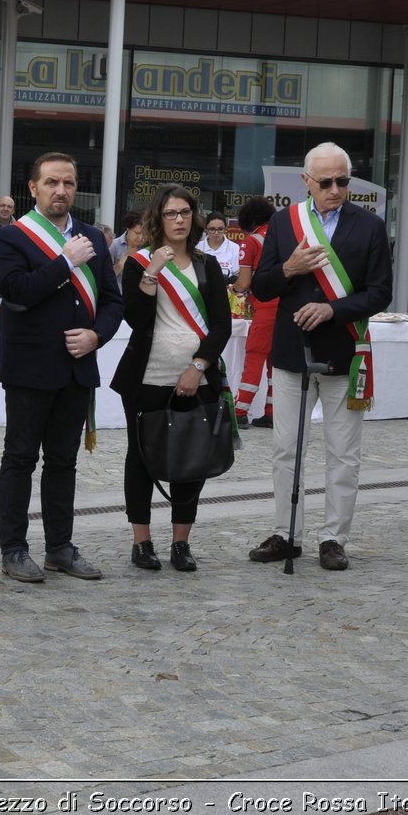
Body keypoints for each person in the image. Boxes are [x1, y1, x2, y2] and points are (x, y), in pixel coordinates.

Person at [249, 143, 391, 573]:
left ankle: (333, 537)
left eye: (342, 181)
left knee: (343, 453)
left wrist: (334, 309)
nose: (334, 189)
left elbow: (380, 292)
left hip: (343, 351)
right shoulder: (283, 222)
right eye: (325, 182)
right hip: (292, 353)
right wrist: (289, 268)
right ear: (306, 182)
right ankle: (286, 532)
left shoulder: (369, 226)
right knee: (285, 450)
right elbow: (261, 288)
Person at [0, 152, 123, 583]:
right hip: (31, 368)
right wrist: (65, 261)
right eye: (51, 182)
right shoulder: (14, 237)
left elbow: (112, 300)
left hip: (77, 367)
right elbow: (16, 292)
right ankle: (14, 549)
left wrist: (97, 336)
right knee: (20, 458)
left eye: (67, 183)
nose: (61, 191)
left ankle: (60, 548)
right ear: (33, 188)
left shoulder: (93, 237)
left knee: (64, 461)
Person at [111, 185, 232, 574]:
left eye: (184, 213)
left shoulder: (206, 264)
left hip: (196, 377)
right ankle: (141, 542)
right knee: (142, 458)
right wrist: (151, 273)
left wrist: (198, 367)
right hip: (146, 378)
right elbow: (136, 319)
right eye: (170, 214)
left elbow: (221, 325)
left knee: (191, 458)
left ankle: (181, 544)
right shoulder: (138, 263)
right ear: (157, 219)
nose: (179, 220)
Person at [233, 196, 279, 428]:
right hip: (287, 306)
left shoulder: (251, 241)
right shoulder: (283, 235)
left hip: (265, 306)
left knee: (254, 356)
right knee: (274, 361)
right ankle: (271, 411)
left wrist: (233, 288)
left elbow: (243, 281)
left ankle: (240, 411)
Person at [196, 211, 242, 279]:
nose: (216, 233)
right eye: (212, 229)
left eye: (220, 229)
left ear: (226, 229)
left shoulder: (234, 248)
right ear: (206, 229)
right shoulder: (198, 247)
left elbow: (237, 274)